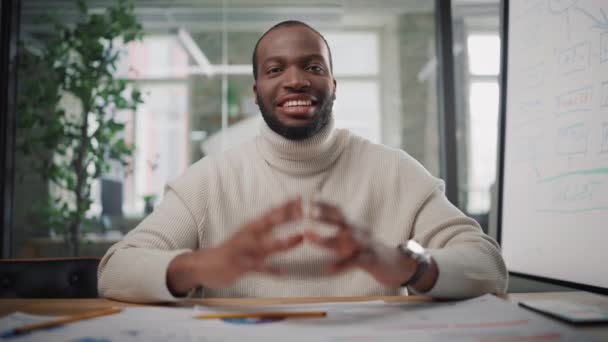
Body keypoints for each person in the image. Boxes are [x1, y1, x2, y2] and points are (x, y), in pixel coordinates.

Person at [98, 20, 507, 303]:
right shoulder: (210, 179)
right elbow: (115, 271)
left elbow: (488, 265)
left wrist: (405, 265)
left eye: (313, 67)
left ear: (333, 85)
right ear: (256, 90)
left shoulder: (395, 170)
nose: (295, 80)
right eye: (276, 69)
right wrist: (200, 265)